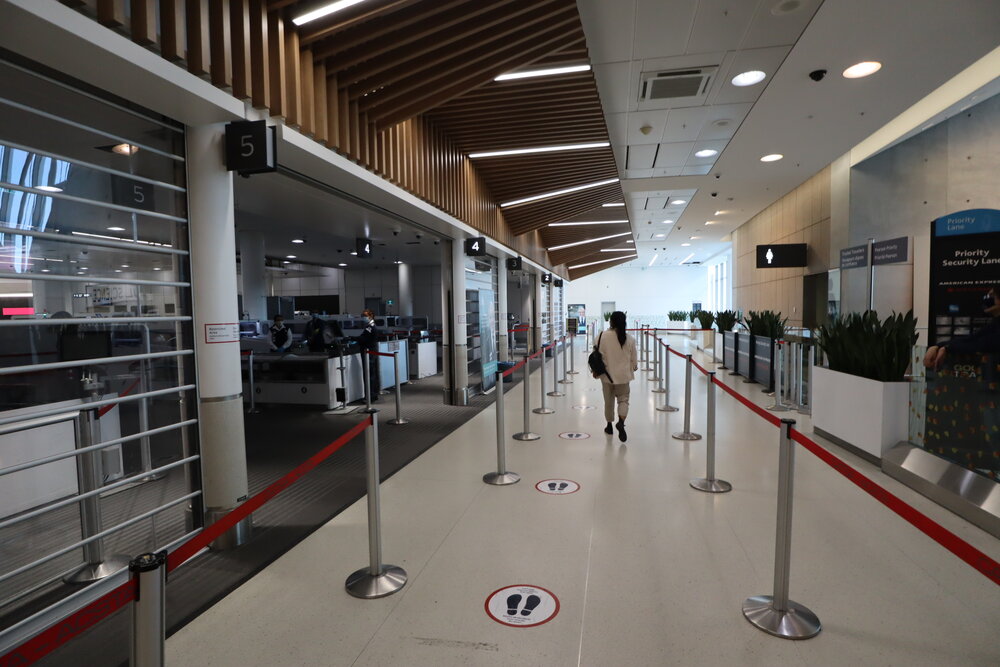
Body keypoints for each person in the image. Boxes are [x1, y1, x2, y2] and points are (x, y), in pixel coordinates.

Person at [923, 286, 1000, 368]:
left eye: (994, 297)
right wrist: (938, 346)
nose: (991, 301)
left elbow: (982, 344)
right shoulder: (996, 322)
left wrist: (946, 348)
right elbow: (971, 338)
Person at [594, 310, 638, 442]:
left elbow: (596, 352)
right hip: (623, 377)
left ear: (611, 321)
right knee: (623, 400)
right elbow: (634, 362)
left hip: (606, 376)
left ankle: (609, 426)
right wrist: (633, 367)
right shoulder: (630, 339)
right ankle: (621, 421)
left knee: (608, 401)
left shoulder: (602, 336)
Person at [356, 309, 380, 402]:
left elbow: (363, 338)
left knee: (368, 375)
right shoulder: (371, 326)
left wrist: (352, 338)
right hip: (372, 351)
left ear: (370, 316)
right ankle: (373, 395)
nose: (363, 317)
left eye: (364, 316)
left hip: (368, 352)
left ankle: (369, 397)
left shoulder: (370, 327)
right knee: (372, 374)